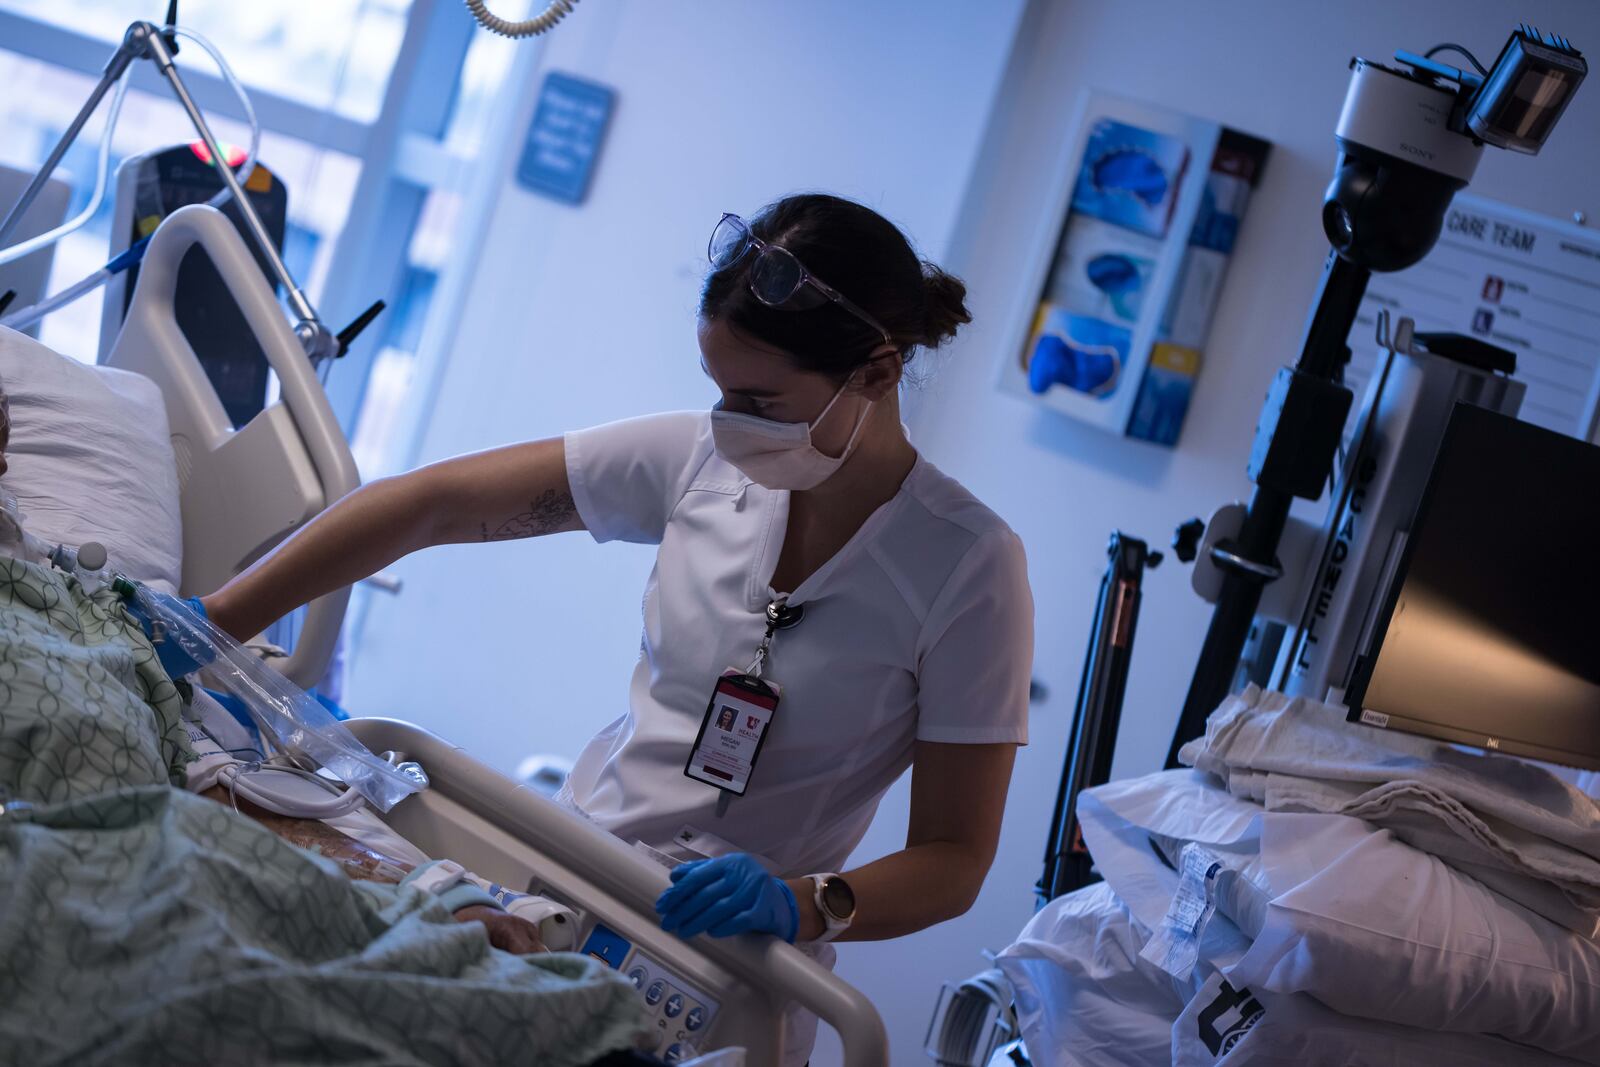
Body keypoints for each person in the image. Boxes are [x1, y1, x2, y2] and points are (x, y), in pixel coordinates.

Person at [203, 193, 1035, 1064]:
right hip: (563, 871)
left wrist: (803, 901)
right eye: (719, 390)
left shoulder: (968, 566)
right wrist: (215, 623)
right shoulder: (698, 463)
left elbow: (954, 856)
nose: (731, 423)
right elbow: (431, 505)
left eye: (761, 398)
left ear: (876, 370)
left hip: (728, 968)